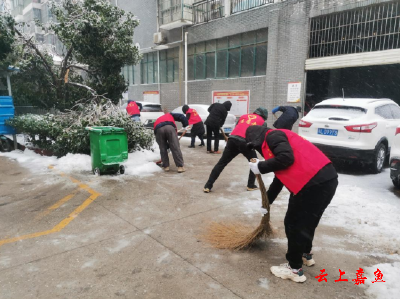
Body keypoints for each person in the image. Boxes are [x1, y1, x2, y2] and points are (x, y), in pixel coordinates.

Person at [246, 125, 338, 283]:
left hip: (310, 183)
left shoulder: (273, 136)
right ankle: (305, 254)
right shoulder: (280, 137)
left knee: (293, 223)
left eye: (255, 145)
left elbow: (286, 159)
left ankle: (294, 269)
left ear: (257, 138)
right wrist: (267, 202)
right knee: (309, 221)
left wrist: (260, 167)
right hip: (326, 180)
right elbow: (279, 178)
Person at [203, 107, 269, 193]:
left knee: (221, 163)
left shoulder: (244, 116)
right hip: (246, 143)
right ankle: (250, 185)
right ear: (264, 116)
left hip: (232, 139)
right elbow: (259, 137)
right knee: (254, 163)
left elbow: (239, 126)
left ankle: (208, 185)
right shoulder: (263, 122)